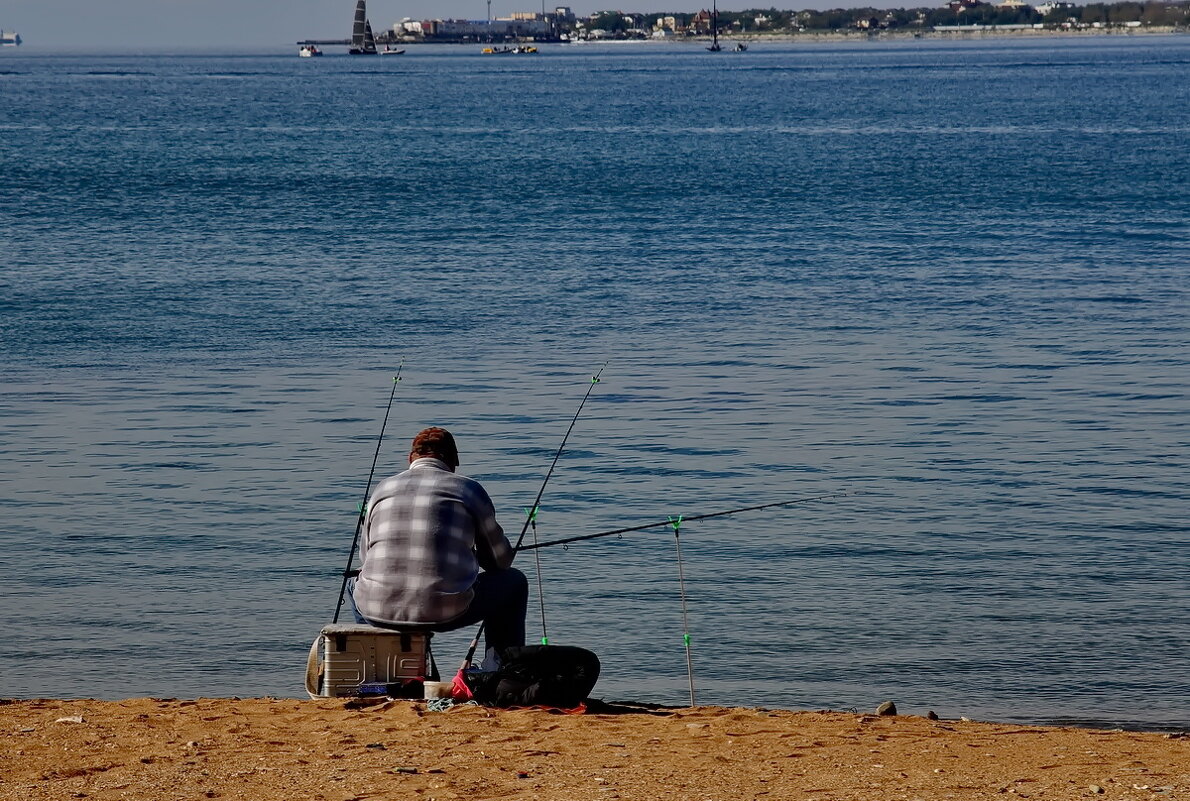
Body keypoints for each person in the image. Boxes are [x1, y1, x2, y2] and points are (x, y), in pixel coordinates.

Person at [347, 427, 527, 663]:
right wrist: (471, 555)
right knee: (513, 581)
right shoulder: (469, 490)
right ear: (453, 461)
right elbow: (500, 562)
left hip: (377, 610)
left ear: (411, 458)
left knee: (354, 584)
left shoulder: (382, 489)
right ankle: (500, 669)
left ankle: (380, 664)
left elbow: (366, 560)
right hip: (444, 612)